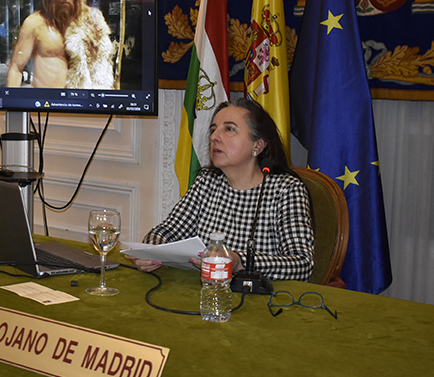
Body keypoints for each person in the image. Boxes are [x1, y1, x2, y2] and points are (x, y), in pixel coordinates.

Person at [127, 98, 315, 281]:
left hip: (258, 297)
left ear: (257, 145)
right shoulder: (207, 182)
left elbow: (302, 264)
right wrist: (150, 251)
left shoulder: (286, 190)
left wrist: (240, 262)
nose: (214, 137)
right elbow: (168, 231)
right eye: (213, 129)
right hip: (207, 292)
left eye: (229, 129)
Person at [6, 0, 115, 89]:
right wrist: (10, 101)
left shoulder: (92, 21)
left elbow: (103, 69)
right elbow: (16, 68)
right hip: (45, 101)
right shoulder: (34, 23)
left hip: (81, 101)